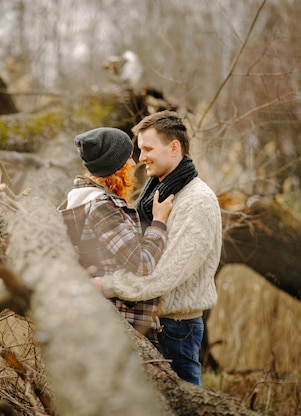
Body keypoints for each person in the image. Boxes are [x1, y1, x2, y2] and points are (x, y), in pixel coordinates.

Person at [91, 111, 222, 386]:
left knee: (184, 406)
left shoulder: (196, 203)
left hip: (175, 329)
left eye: (148, 149)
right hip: (150, 323)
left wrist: (107, 285)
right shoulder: (157, 192)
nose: (141, 159)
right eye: (140, 150)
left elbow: (164, 275)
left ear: (174, 147)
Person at [58, 127, 173, 339]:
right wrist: (159, 222)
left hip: (103, 321)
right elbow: (142, 263)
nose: (132, 163)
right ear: (116, 167)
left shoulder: (79, 200)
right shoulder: (102, 207)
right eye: (128, 157)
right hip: (122, 325)